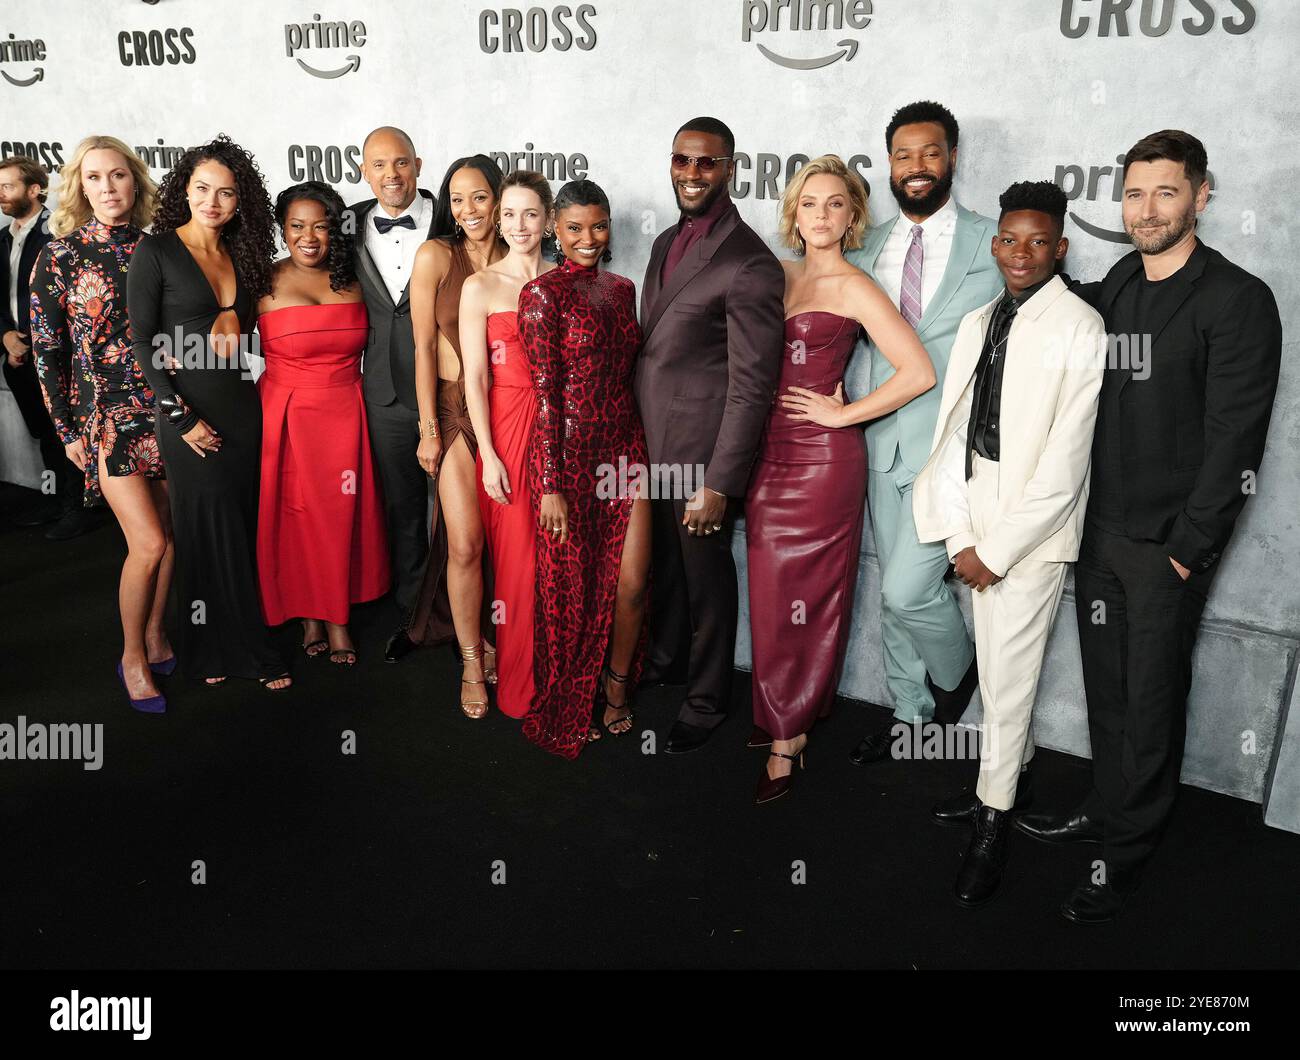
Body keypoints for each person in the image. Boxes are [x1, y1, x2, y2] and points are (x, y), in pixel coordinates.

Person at [1015, 131, 1283, 924]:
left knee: (1153, 699)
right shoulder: (1121, 281)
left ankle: (1124, 857)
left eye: (1166, 192)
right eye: (1134, 193)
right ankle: (1106, 804)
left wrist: (1186, 555)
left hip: (1168, 548)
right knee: (1109, 690)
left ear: (1202, 196)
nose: (1146, 209)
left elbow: (1237, 441)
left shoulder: (1238, 299)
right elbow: (1049, 313)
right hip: (1098, 533)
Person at [912, 181, 1105, 905]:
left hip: (1033, 530)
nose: (1020, 254)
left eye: (1036, 242)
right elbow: (955, 437)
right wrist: (963, 533)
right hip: (976, 508)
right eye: (1008, 239)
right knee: (995, 676)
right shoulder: (977, 321)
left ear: (1060, 248)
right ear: (994, 244)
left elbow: (1065, 465)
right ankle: (1004, 781)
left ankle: (992, 822)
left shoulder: (1081, 327)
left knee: (1013, 679)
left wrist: (997, 551)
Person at [749, 155, 934, 802]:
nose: (821, 215)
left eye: (835, 204)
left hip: (824, 462)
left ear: (853, 215)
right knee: (772, 594)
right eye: (809, 203)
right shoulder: (776, 274)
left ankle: (789, 735)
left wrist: (845, 413)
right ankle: (780, 707)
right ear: (792, 213)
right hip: (766, 453)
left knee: (812, 593)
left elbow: (918, 371)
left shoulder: (855, 287)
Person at [844, 100, 1004, 766]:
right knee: (893, 591)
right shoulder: (865, 246)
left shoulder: (995, 241)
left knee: (908, 589)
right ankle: (910, 716)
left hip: (954, 451)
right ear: (889, 163)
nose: (917, 166)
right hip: (881, 443)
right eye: (904, 154)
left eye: (930, 152)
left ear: (953, 158)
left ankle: (956, 675)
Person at [635, 116, 785, 754]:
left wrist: (722, 482)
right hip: (648, 442)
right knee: (665, 567)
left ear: (731, 169)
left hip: (702, 457)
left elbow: (754, 386)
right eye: (681, 161)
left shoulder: (749, 262)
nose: (691, 174)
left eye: (706, 163)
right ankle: (665, 660)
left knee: (707, 577)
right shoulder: (664, 239)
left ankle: (707, 699)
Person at [128, 134, 290, 689]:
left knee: (242, 527)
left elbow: (249, 342)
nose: (212, 202)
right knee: (202, 530)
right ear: (184, 189)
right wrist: (181, 419)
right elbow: (145, 345)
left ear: (240, 200)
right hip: (187, 417)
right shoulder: (157, 251)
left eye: (225, 192)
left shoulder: (240, 255)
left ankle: (241, 638)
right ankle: (217, 650)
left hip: (244, 411)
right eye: (202, 188)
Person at [29, 135, 173, 712]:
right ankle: (133, 655)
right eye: (94, 178)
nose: (108, 187)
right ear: (79, 187)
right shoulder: (58, 256)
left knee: (174, 539)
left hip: (165, 409)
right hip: (105, 419)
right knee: (149, 542)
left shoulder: (160, 248)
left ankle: (158, 632)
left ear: (134, 181)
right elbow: (47, 351)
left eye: (118, 175)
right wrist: (66, 432)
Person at [518, 178, 651, 757]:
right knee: (569, 590)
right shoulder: (542, 295)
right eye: (575, 228)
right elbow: (545, 393)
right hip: (566, 458)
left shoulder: (623, 289)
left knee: (632, 581)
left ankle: (616, 686)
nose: (589, 238)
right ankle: (569, 692)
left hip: (625, 448)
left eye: (599, 226)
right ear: (554, 229)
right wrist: (549, 485)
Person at [256, 181, 389, 666]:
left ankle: (337, 619)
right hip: (285, 417)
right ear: (282, 229)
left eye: (320, 225)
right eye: (295, 226)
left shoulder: (357, 277)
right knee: (294, 517)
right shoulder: (259, 281)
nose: (308, 236)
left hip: (344, 413)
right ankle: (307, 615)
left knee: (336, 519)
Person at [389, 155, 507, 686]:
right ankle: (470, 662)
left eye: (479, 196)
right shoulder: (436, 254)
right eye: (457, 199)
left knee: (508, 545)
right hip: (454, 411)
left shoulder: (520, 255)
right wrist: (428, 429)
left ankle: (502, 637)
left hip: (508, 410)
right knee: (464, 543)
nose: (468, 209)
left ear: (500, 198)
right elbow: (420, 347)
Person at [461, 170, 555, 719]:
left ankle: (558, 679)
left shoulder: (567, 279)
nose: (519, 226)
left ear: (547, 221)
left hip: (560, 434)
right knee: (518, 566)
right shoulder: (482, 285)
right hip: (508, 433)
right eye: (510, 214)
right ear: (499, 219)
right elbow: (476, 378)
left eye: (531, 214)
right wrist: (489, 454)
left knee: (559, 563)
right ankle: (523, 688)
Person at [343, 127, 438, 653]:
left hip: (447, 385)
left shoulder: (453, 215)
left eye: (401, 163)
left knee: (457, 506)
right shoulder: (348, 223)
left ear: (419, 165)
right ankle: (412, 602)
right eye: (379, 165)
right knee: (402, 505)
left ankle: (462, 600)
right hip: (381, 389)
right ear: (363, 170)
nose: (391, 176)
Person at [1, 155, 85, 538]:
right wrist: (6, 337)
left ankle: (77, 508)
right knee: (45, 435)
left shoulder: (57, 234)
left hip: (55, 356)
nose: (1, 194)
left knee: (65, 431)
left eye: (8, 186)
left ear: (34, 190)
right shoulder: (4, 238)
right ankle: (57, 501)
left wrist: (35, 346)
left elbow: (70, 303)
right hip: (16, 357)